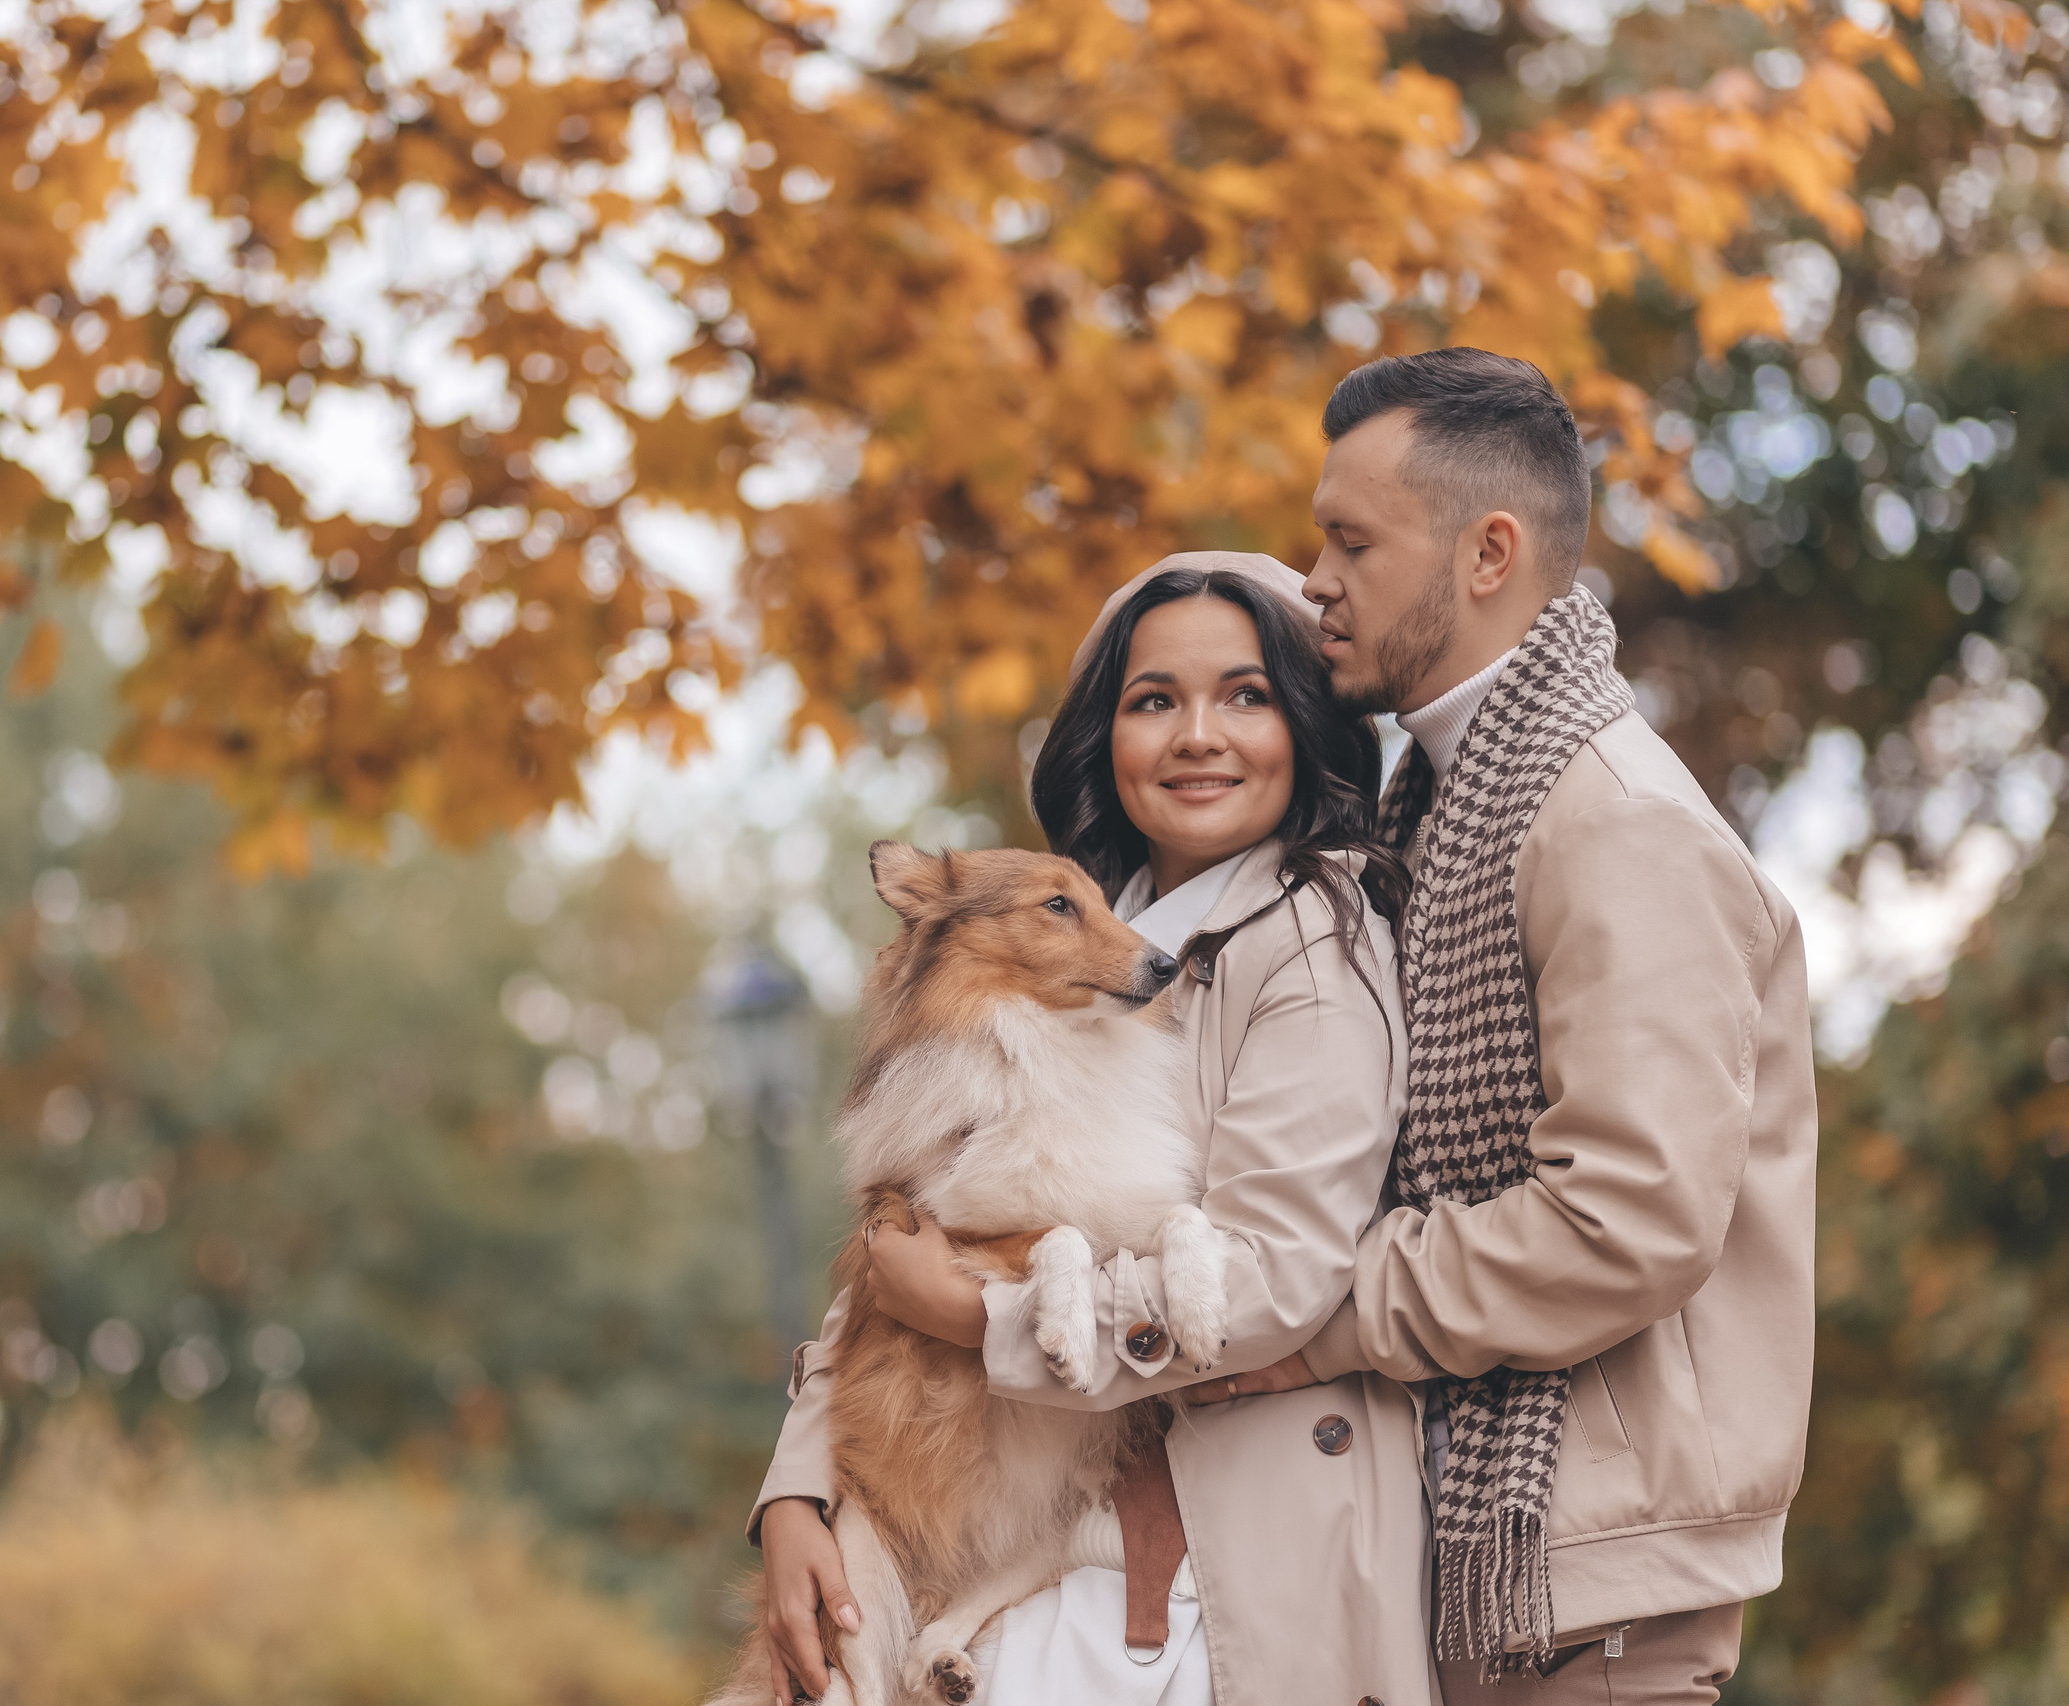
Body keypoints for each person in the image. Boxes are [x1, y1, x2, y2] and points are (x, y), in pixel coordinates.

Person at [1219, 347, 1818, 1702]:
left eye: (1350, 540)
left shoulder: (1616, 819)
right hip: (1499, 1570)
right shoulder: (1439, 806)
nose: (1314, 578)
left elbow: (1627, 1217)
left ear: (1488, 553)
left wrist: (1310, 1310)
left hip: (1590, 1599)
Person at [750, 554, 1438, 1706]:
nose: (1196, 735)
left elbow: (1271, 1277)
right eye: (1153, 699)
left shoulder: (1314, 941)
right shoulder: (1076, 939)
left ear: (1305, 722)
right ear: (1102, 735)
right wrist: (796, 1486)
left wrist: (979, 1314)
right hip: (1017, 1534)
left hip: (1197, 1568)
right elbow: (898, 1247)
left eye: (1247, 695)